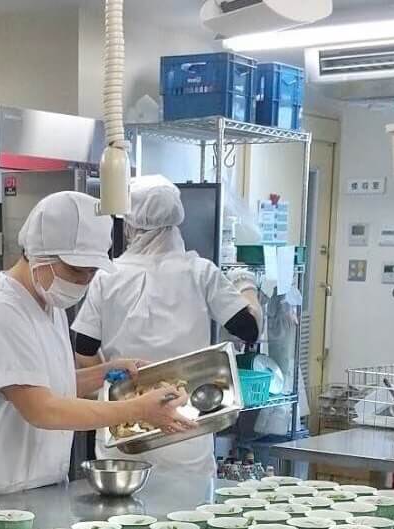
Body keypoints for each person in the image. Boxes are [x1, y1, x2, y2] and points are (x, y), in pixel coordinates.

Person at [0, 191, 195, 499]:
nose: (84, 281)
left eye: (92, 272)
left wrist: (107, 372)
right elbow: (42, 408)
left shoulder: (48, 305)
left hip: (27, 489)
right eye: (76, 270)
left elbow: (51, 384)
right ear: (39, 255)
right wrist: (136, 409)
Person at [71, 175, 261, 478]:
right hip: (185, 422)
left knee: (122, 505)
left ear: (130, 224)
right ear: (176, 222)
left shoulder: (107, 277)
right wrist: (247, 285)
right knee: (188, 504)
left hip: (126, 428)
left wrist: (115, 393)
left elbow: (84, 350)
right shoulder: (200, 272)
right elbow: (249, 329)